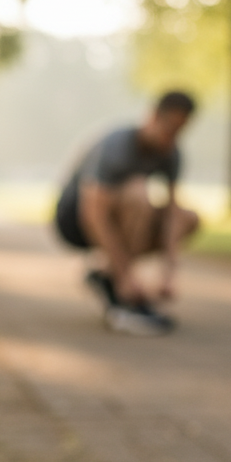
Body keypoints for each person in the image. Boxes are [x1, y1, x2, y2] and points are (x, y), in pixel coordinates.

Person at [54, 91, 201, 335]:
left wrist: (169, 274)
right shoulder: (117, 145)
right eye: (169, 128)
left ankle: (108, 278)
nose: (172, 138)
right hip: (74, 220)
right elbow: (93, 213)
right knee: (138, 193)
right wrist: (125, 275)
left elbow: (172, 216)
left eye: (180, 131)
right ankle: (120, 292)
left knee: (189, 218)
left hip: (116, 215)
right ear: (153, 116)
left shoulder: (172, 153)